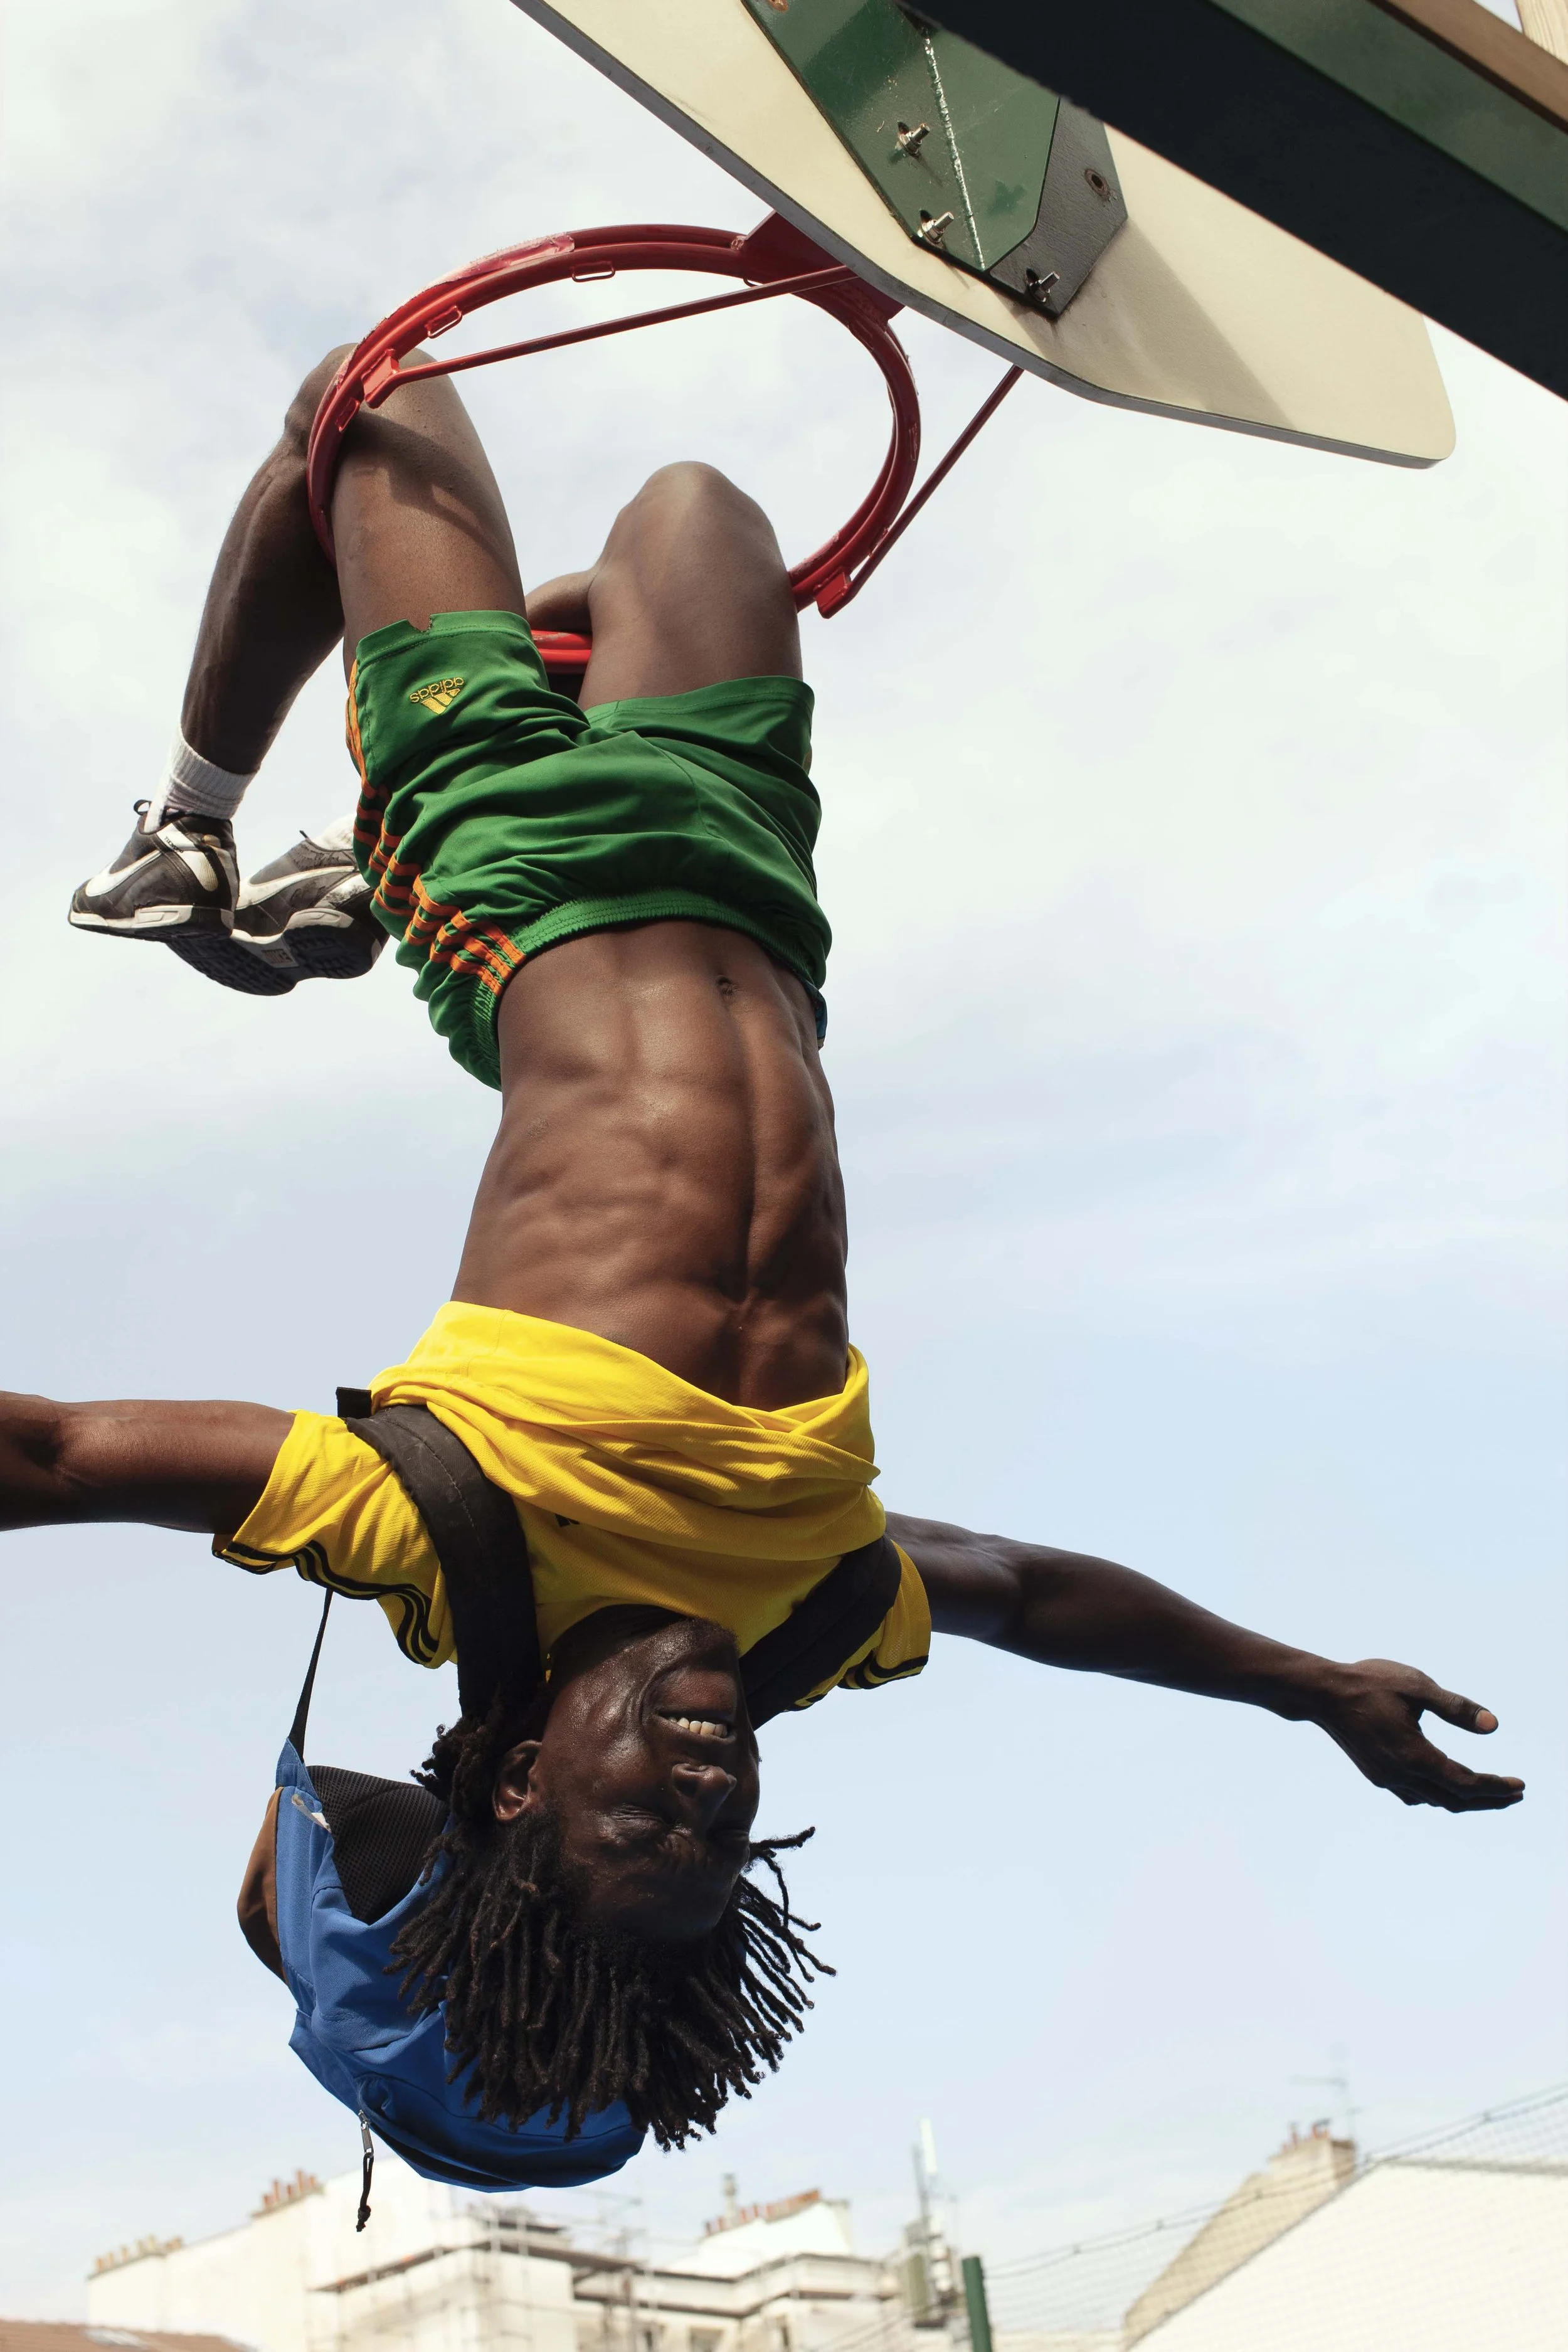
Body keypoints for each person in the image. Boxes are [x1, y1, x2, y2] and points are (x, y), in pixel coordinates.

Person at [11, 346, 1523, 2153]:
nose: (710, 1788)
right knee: (695, 512)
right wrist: (1313, 1687)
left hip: (512, 874)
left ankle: (185, 826)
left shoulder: (439, 1534)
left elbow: (59, 1455)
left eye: (643, 1819)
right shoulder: (809, 1610)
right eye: (724, 1838)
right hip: (748, 871)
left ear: (518, 1780)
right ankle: (431, 763)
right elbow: (1036, 1596)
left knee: (372, 400)